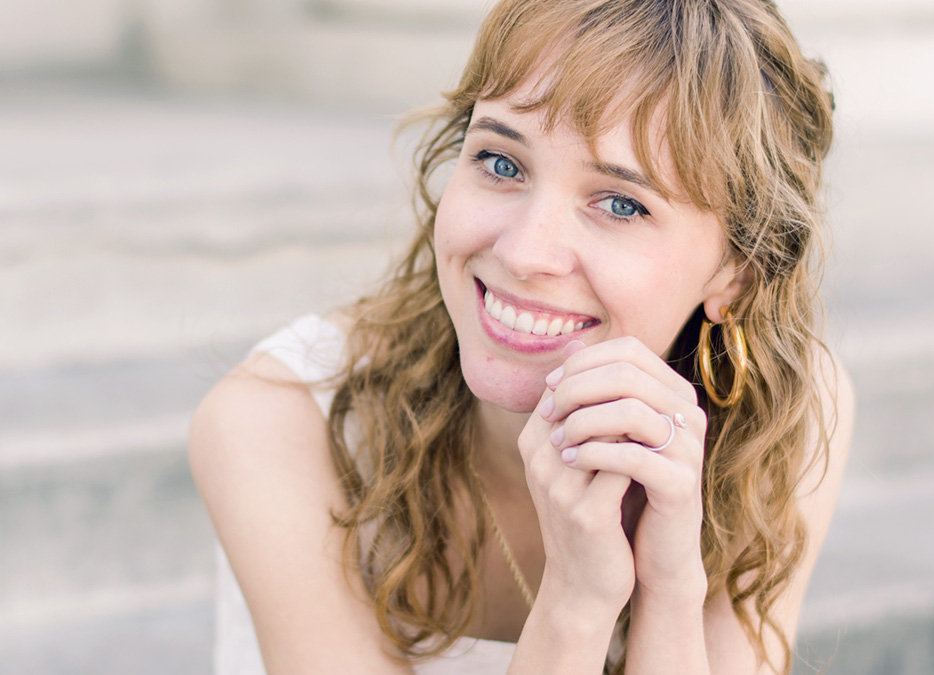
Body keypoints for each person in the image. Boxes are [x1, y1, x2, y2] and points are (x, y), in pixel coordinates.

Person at [189, 0, 854, 673]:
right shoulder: (277, 421)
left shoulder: (781, 419)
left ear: (735, 272)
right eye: (502, 163)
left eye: (621, 203)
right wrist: (576, 602)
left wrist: (673, 589)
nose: (526, 251)